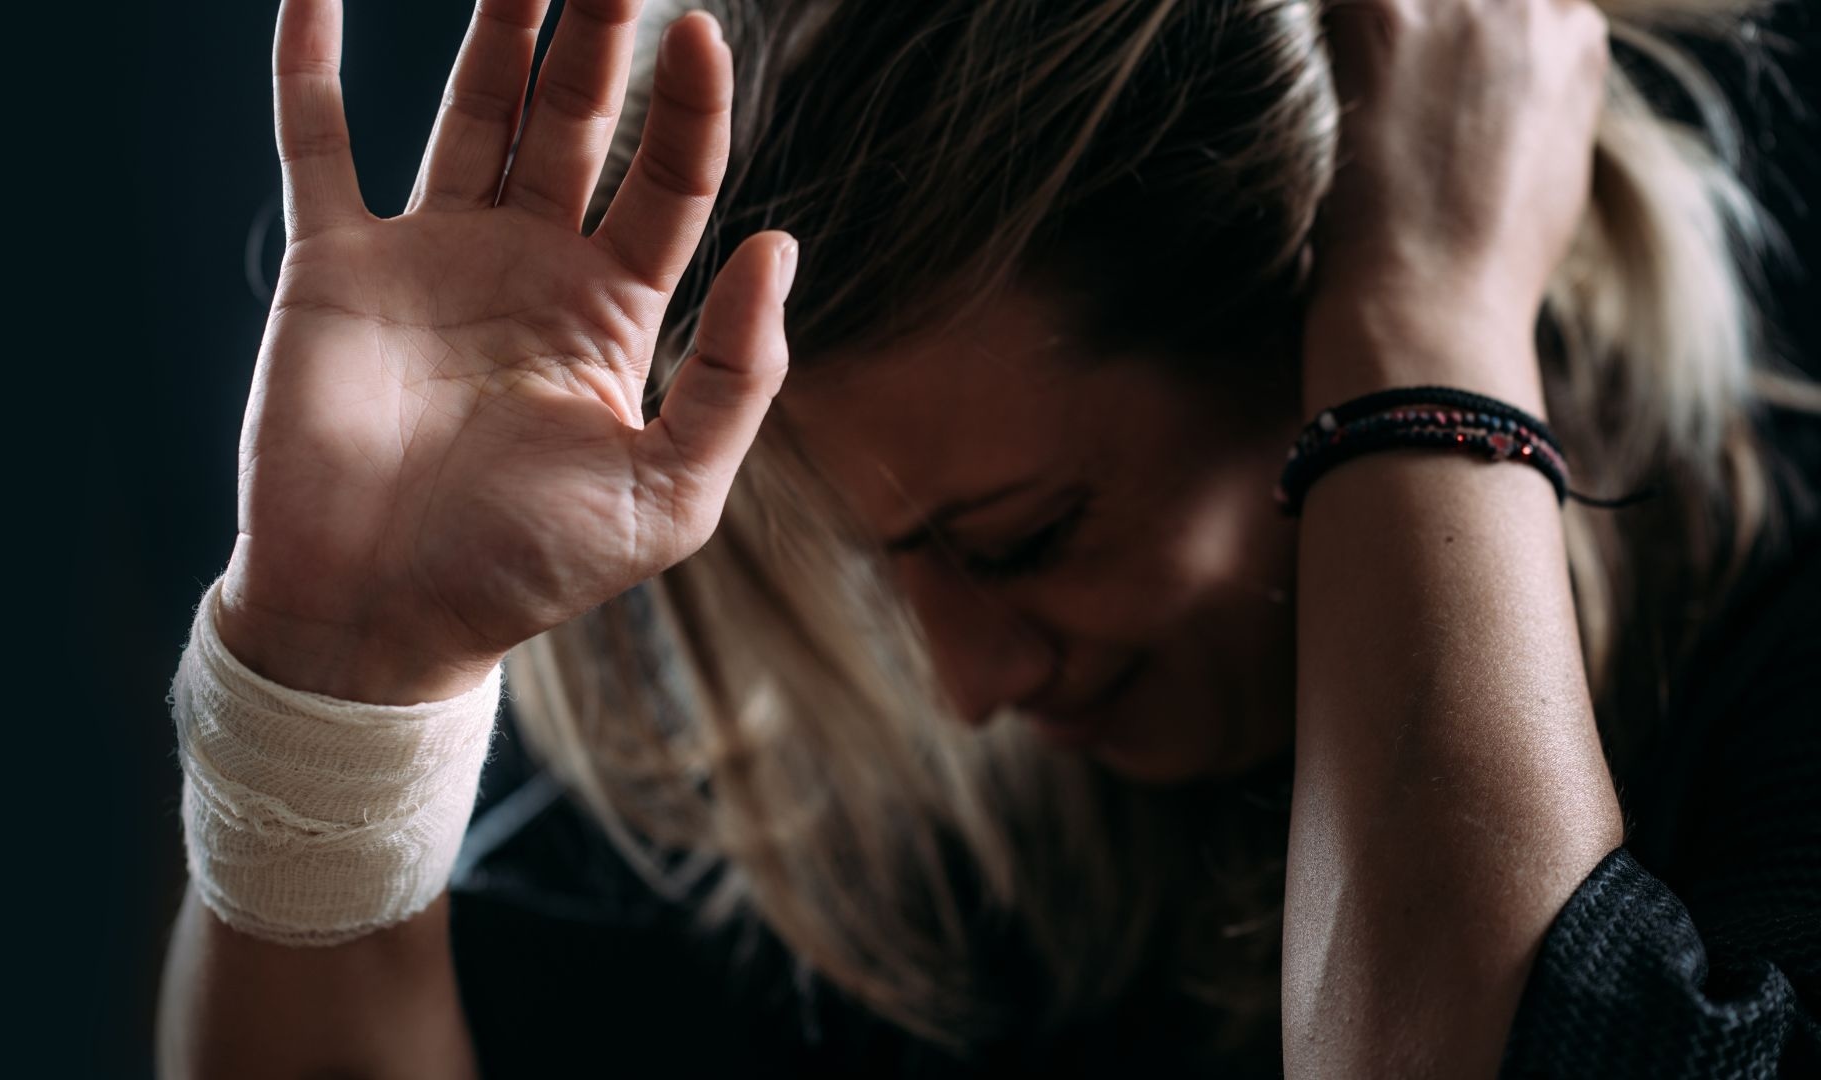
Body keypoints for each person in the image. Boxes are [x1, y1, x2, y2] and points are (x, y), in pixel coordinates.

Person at [156, 0, 1821, 1075]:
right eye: (901, 570)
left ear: (1310, 325)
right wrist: (339, 688)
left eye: (1024, 540)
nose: (964, 684)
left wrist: (1432, 307)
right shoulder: (909, 878)